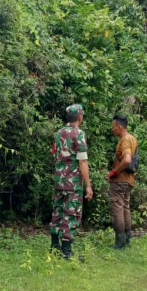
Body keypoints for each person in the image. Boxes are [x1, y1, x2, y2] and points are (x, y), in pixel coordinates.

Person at [50, 103, 93, 259]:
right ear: (80, 117)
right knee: (71, 214)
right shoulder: (79, 134)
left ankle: (54, 247)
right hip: (73, 183)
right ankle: (66, 252)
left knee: (57, 212)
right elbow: (82, 161)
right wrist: (88, 185)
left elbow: (54, 153)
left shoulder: (58, 133)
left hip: (59, 180)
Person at [107, 114, 137, 249]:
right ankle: (127, 240)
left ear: (119, 127)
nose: (113, 129)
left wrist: (115, 172)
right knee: (125, 209)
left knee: (118, 210)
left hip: (120, 181)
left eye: (114, 127)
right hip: (128, 181)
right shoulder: (132, 138)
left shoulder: (125, 140)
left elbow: (127, 159)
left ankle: (120, 243)